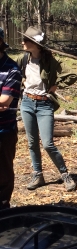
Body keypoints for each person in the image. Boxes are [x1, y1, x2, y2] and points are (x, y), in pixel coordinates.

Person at [16, 27, 77, 192]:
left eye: (26, 40)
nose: (23, 42)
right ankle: (38, 175)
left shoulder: (50, 60)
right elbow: (14, 74)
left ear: (35, 44)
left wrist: (56, 86)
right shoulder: (23, 59)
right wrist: (22, 82)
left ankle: (65, 174)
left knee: (48, 144)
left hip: (44, 104)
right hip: (27, 103)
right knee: (32, 142)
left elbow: (72, 75)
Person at [0, 27, 22, 210]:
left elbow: (4, 102)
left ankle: (3, 211)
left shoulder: (11, 69)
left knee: (3, 175)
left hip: (3, 132)